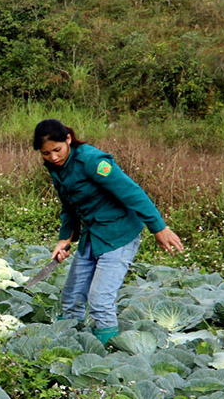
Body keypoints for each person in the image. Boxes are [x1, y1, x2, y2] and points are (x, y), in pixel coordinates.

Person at [33, 119, 184, 346]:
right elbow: (69, 206)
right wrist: (65, 238)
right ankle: (67, 345)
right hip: (93, 234)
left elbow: (131, 192)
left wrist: (159, 228)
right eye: (46, 153)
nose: (53, 157)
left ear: (68, 140)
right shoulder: (56, 168)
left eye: (57, 150)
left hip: (119, 234)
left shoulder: (92, 160)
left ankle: (110, 354)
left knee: (100, 300)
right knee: (71, 297)